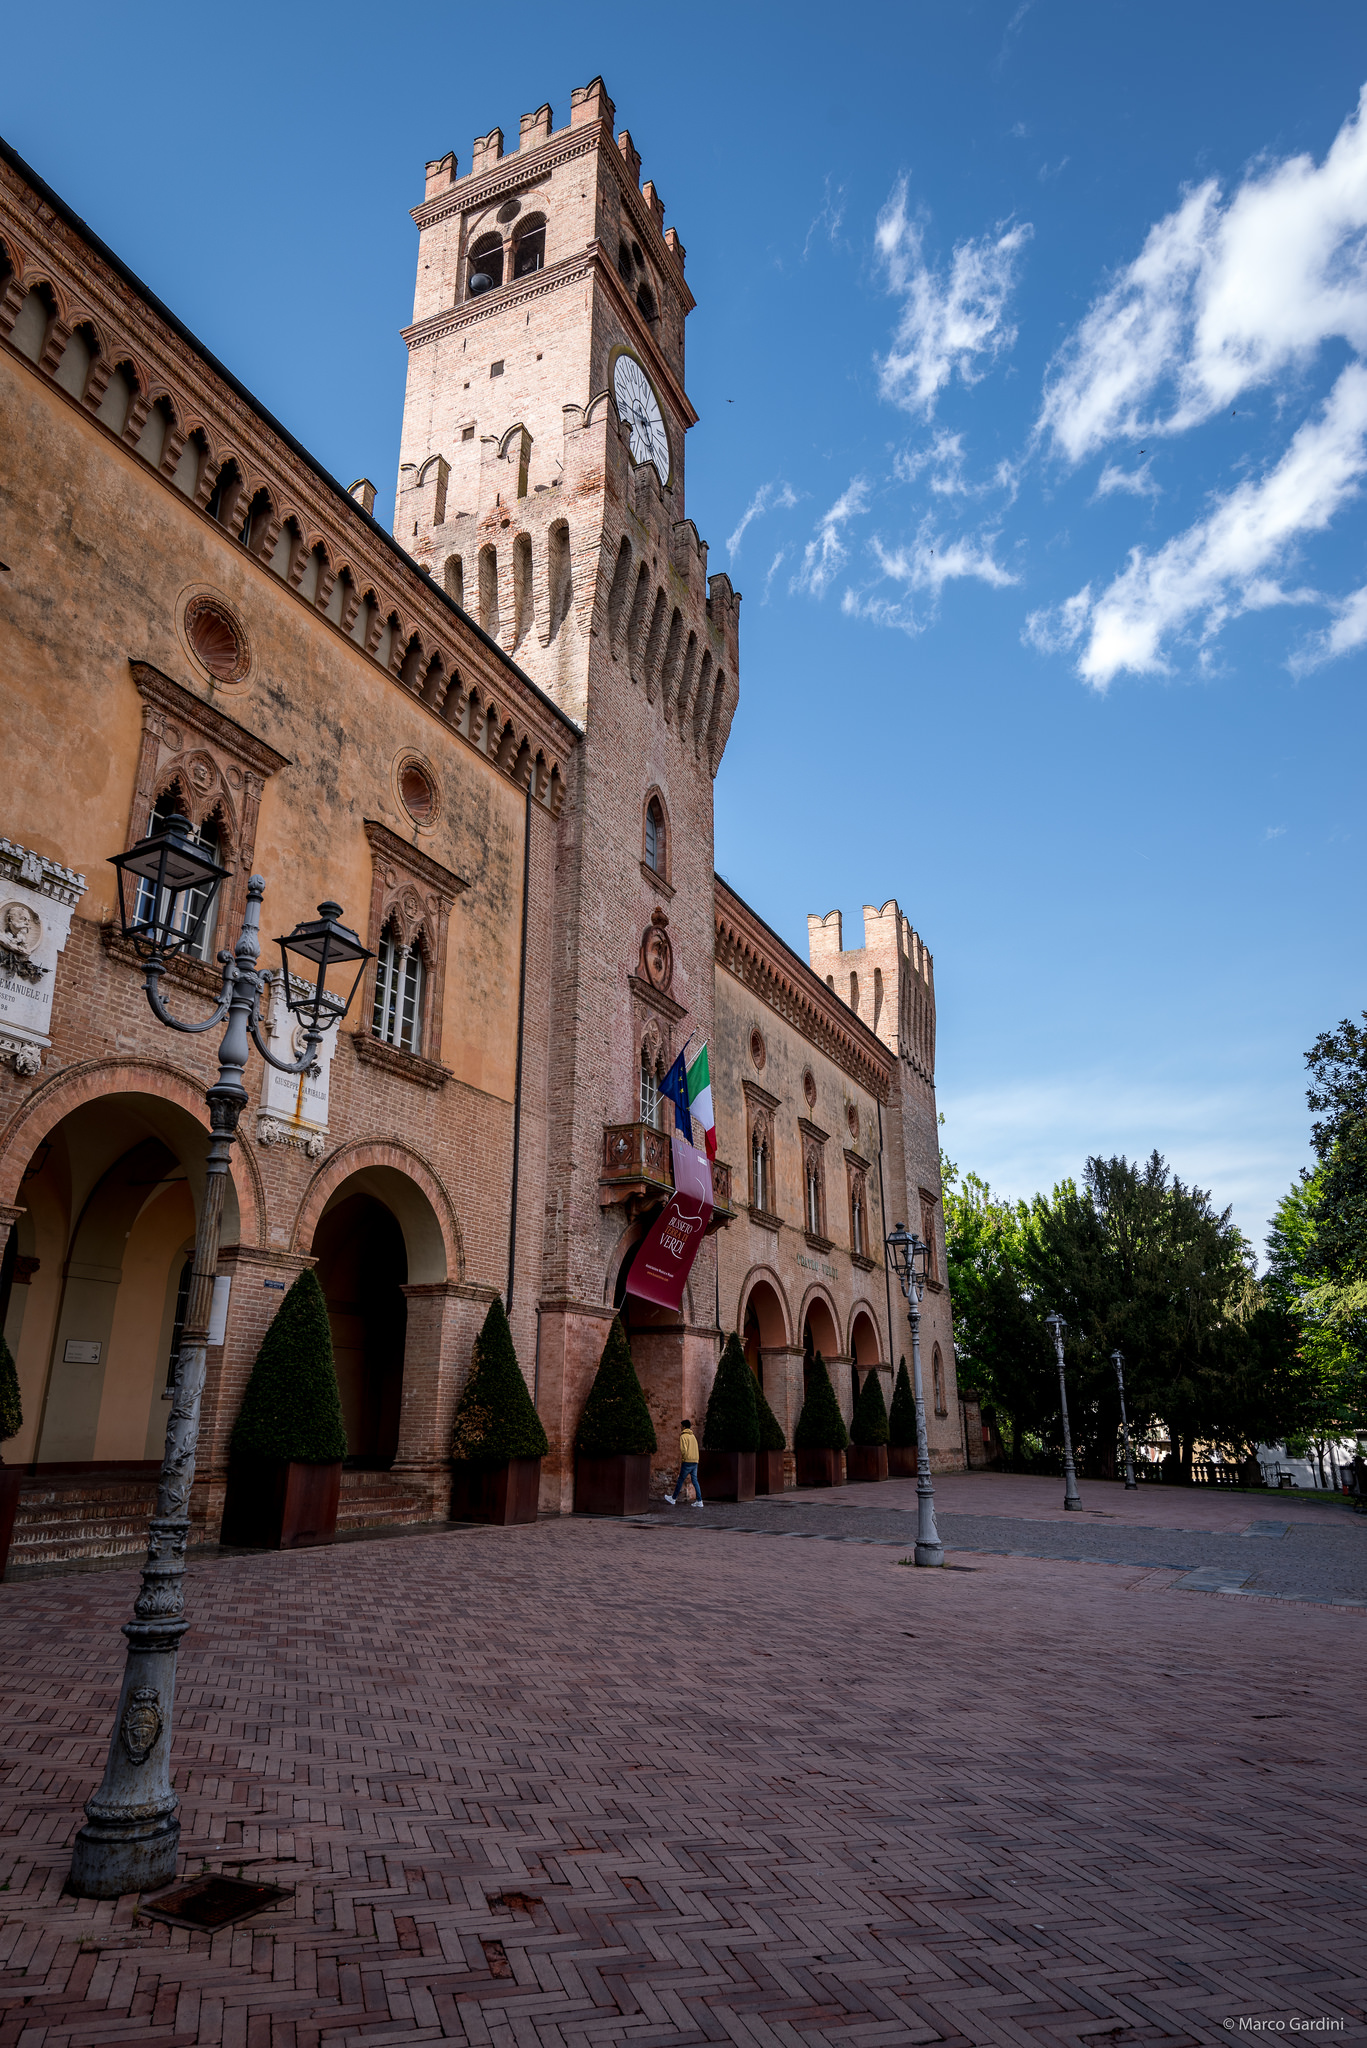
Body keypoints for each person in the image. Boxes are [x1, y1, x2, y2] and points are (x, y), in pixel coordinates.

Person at [664, 1418, 704, 1506]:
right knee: (695, 1481)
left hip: (687, 1461)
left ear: (684, 1426)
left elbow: (683, 1450)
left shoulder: (683, 1436)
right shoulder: (693, 1436)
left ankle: (673, 1498)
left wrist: (684, 1459)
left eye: (681, 1426)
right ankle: (699, 1501)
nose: (680, 1428)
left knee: (680, 1480)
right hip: (695, 1461)